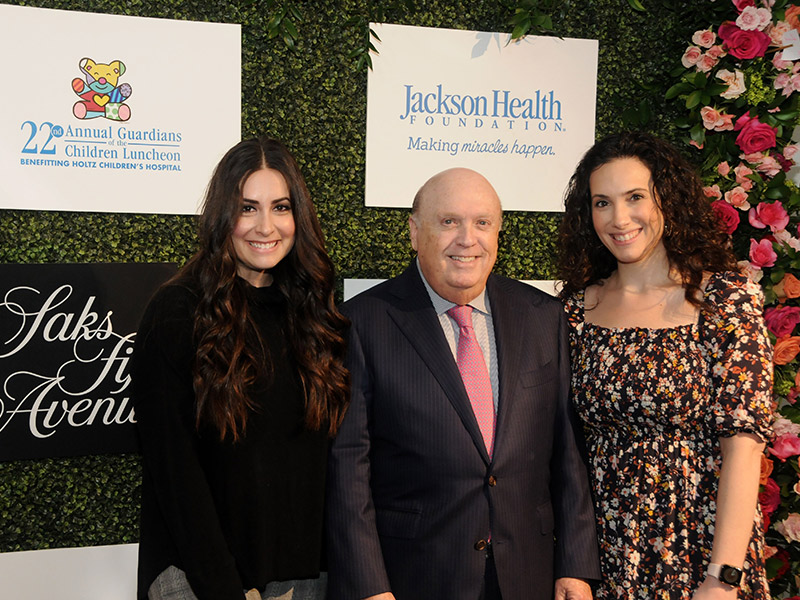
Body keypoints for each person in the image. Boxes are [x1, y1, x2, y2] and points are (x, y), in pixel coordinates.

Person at [326, 167, 601, 600]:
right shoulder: (361, 322)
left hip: (528, 575)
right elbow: (348, 471)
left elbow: (567, 454)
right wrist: (368, 587)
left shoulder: (543, 316)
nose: (467, 239)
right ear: (415, 232)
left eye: (482, 223)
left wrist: (576, 565)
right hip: (412, 578)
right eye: (449, 221)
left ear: (498, 233)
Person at [558, 131, 774, 599]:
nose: (619, 219)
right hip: (602, 557)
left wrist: (723, 578)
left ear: (667, 200)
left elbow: (744, 448)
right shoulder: (574, 311)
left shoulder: (724, 301)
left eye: (635, 197)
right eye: (601, 203)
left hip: (701, 550)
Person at [132, 136, 350, 600]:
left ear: (299, 217)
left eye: (281, 207)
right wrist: (223, 589)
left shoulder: (314, 315)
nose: (266, 226)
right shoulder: (177, 311)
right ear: (221, 216)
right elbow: (175, 475)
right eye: (247, 208)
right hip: (199, 579)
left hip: (303, 578)